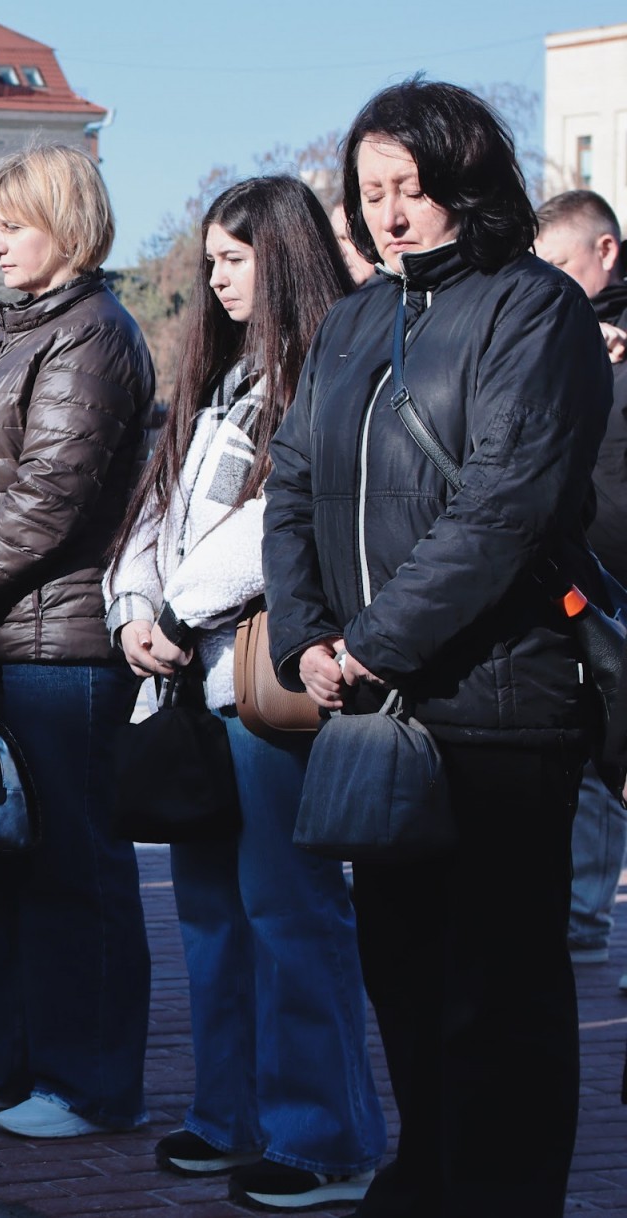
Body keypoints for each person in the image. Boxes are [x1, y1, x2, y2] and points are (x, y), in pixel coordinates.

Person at [264, 79, 608, 1217]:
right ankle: (425, 1180)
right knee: (402, 978)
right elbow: (295, 485)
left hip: (499, 703)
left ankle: (501, 1196)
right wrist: (307, 635)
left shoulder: (533, 310)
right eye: (370, 193)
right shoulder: (354, 320)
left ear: (466, 184)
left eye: (410, 189)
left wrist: (371, 643)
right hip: (372, 709)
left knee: (496, 993)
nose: (389, 215)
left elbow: (502, 511)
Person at [105, 178, 384, 1208]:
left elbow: (278, 527)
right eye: (209, 260)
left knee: (288, 914)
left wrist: (173, 611)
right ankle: (227, 1117)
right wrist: (134, 606)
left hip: (263, 687)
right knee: (212, 920)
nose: (214, 277)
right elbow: (154, 506)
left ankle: (323, 1141)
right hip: (185, 680)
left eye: (234, 258)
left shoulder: (325, 372)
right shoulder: (219, 379)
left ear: (283, 257)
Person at [0, 143, 156, 1139]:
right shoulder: (5, 334)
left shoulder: (93, 335)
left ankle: (87, 1083)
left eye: (13, 224)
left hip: (61, 647)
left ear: (68, 226)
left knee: (71, 872)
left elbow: (53, 491)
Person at [533, 190, 627, 978]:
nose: (551, 281)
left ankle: (586, 915)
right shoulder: (562, 336)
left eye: (561, 265)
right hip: (582, 578)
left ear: (605, 253)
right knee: (593, 748)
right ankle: (581, 913)